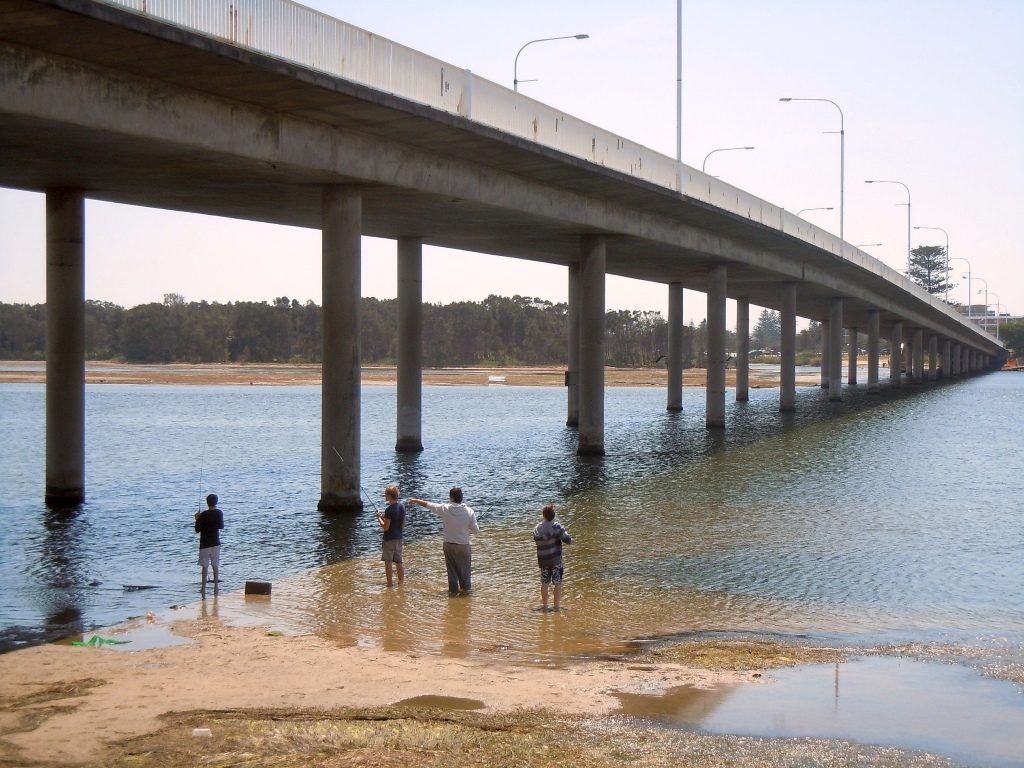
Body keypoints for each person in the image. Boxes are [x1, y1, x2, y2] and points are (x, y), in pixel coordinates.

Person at [408, 487, 479, 595]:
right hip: (464, 546)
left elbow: (429, 505)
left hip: (449, 545)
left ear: (451, 498)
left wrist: (416, 501)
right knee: (465, 573)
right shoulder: (469, 511)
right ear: (461, 498)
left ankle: (453, 593)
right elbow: (476, 531)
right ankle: (466, 595)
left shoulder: (444, 508)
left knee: (452, 573)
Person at [533, 503, 572, 611]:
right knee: (558, 582)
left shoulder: (537, 528)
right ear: (553, 515)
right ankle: (556, 607)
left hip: (543, 561)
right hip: (556, 560)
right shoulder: (557, 527)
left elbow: (536, 538)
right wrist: (565, 533)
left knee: (544, 582)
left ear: (543, 515)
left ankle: (545, 606)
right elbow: (568, 540)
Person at [194, 493, 223, 599]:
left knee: (205, 567)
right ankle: (216, 587)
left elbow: (197, 530)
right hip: (216, 543)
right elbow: (221, 526)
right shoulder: (219, 513)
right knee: (215, 565)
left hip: (205, 544)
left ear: (207, 503)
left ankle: (203, 588)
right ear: (216, 502)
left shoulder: (203, 515)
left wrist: (197, 519)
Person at [377, 484, 406, 587]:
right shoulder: (401, 506)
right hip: (398, 538)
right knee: (399, 562)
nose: (384, 496)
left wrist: (379, 518)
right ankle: (401, 583)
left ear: (389, 495)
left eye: (385, 494)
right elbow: (401, 524)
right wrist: (383, 517)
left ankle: (389, 584)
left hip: (389, 539)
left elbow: (386, 527)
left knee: (388, 562)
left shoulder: (388, 509)